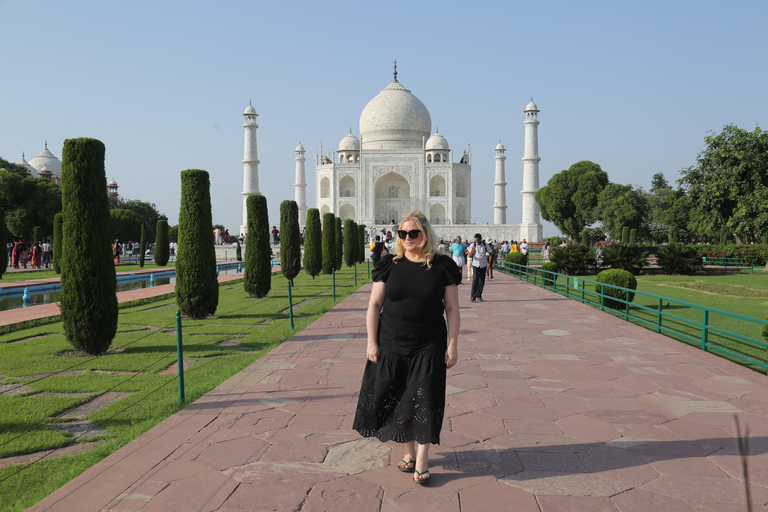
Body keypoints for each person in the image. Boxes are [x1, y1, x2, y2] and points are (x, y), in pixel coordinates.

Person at [353, 210, 461, 485]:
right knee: (401, 396)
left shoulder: (441, 266)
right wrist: (371, 341)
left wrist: (452, 344)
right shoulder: (390, 264)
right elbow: (374, 305)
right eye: (403, 233)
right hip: (392, 340)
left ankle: (422, 458)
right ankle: (409, 451)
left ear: (425, 234)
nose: (408, 238)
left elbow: (452, 308)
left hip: (429, 342)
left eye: (413, 233)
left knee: (425, 398)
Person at [467, 233, 492, 302]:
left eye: (478, 240)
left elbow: (490, 254)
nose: (477, 242)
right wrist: (472, 252)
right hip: (475, 264)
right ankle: (473, 296)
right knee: (475, 279)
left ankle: (479, 296)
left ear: (480, 239)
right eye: (476, 240)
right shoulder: (473, 245)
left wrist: (489, 263)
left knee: (482, 280)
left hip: (483, 264)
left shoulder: (485, 245)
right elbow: (469, 255)